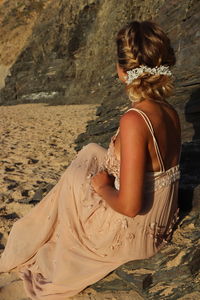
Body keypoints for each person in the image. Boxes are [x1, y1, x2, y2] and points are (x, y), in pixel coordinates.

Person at [0, 20, 181, 300]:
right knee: (91, 152)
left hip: (133, 237)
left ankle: (35, 237)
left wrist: (102, 188)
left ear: (123, 72)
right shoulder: (169, 112)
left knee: (76, 177)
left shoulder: (136, 120)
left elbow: (131, 206)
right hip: (159, 225)